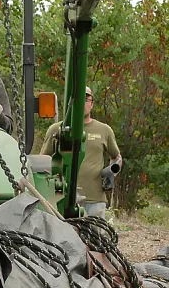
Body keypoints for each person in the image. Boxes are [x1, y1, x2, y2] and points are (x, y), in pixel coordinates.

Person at [40, 88, 122, 218]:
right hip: (60, 200)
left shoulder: (104, 130)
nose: (81, 103)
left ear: (92, 104)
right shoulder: (57, 129)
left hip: (94, 200)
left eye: (86, 99)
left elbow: (116, 157)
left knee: (94, 236)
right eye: (77, 99)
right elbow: (42, 161)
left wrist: (111, 175)